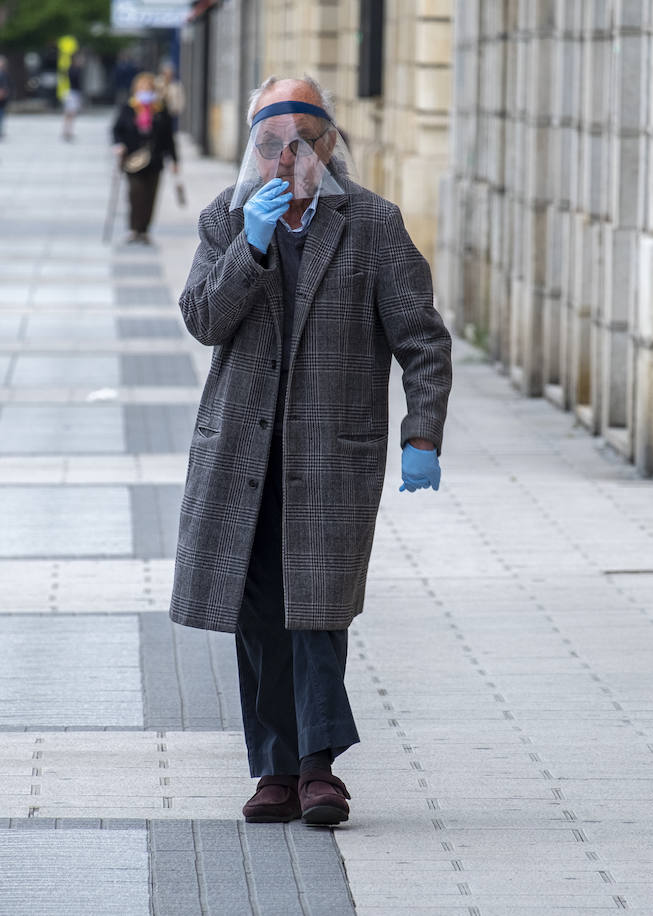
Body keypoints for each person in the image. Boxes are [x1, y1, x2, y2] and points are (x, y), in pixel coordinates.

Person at [170, 75, 452, 826]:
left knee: (318, 612)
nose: (285, 158)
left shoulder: (372, 224)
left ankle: (318, 769)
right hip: (243, 458)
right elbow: (202, 319)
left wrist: (421, 431)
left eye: (301, 142)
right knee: (258, 614)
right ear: (254, 152)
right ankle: (273, 774)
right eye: (270, 144)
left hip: (332, 453)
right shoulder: (225, 223)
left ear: (328, 146)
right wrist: (250, 250)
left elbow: (421, 338)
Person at [110, 72, 178, 245]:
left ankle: (145, 230)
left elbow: (169, 138)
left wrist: (174, 160)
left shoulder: (161, 110)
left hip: (155, 160)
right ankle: (134, 229)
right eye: (142, 88)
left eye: (148, 88)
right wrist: (119, 145)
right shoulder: (129, 108)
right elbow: (117, 130)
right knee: (135, 194)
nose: (145, 91)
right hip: (133, 160)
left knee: (150, 196)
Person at [62, 52, 85, 142]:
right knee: (70, 113)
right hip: (73, 93)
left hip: (73, 93)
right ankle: (67, 131)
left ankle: (67, 130)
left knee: (70, 113)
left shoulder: (72, 69)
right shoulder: (74, 70)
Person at [156, 61, 184, 133]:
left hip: (171, 112)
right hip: (159, 112)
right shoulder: (158, 82)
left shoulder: (176, 85)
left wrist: (178, 108)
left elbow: (180, 99)